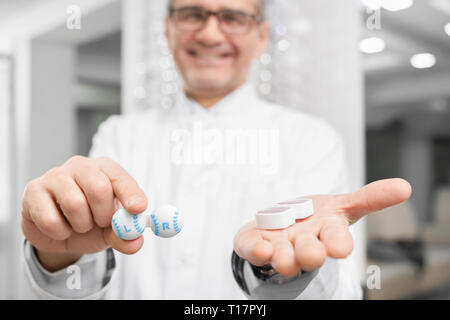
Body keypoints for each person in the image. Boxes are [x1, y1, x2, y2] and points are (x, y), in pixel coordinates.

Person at [20, 0, 411, 299]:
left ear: (261, 37)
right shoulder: (119, 134)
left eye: (232, 17)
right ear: (168, 30)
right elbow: (81, 282)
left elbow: (334, 287)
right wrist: (58, 256)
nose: (209, 34)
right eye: (192, 14)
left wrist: (278, 272)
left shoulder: (311, 140)